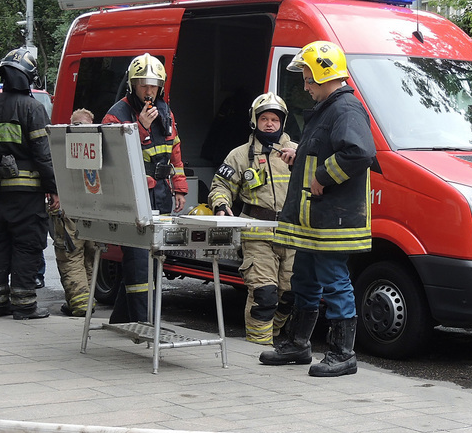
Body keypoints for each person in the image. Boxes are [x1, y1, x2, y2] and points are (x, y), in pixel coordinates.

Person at [259, 41, 376, 377]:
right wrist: (302, 155)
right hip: (314, 219)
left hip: (332, 219)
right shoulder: (330, 108)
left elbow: (359, 152)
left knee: (334, 281)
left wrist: (323, 176)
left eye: (308, 77)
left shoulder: (345, 109)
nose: (305, 85)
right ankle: (298, 345)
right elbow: (329, 150)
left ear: (324, 73)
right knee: (305, 279)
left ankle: (343, 354)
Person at [0, 47, 59, 320]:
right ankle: (24, 305)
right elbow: (44, 155)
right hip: (28, 197)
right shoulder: (33, 109)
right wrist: (54, 189)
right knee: (27, 245)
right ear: (29, 78)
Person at [102, 53, 188, 323]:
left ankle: (123, 318)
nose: (149, 91)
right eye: (143, 84)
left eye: (153, 85)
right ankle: (143, 321)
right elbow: (112, 155)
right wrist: (141, 126)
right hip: (133, 195)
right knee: (138, 259)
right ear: (133, 85)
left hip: (161, 193)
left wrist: (180, 188)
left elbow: (175, 151)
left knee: (153, 258)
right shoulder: (116, 114)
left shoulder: (166, 112)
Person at [208, 92, 297, 345]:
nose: (270, 124)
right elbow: (220, 185)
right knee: (264, 295)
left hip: (291, 234)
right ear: (254, 121)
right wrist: (221, 204)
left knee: (291, 295)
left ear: (283, 122)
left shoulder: (298, 153)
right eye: (264, 118)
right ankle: (257, 348)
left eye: (275, 119)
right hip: (257, 235)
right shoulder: (239, 155)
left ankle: (273, 334)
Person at [49, 108, 98, 317]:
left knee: (71, 257)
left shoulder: (62, 144)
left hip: (69, 209)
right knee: (89, 257)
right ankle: (87, 301)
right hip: (94, 211)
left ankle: (80, 304)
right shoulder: (99, 146)